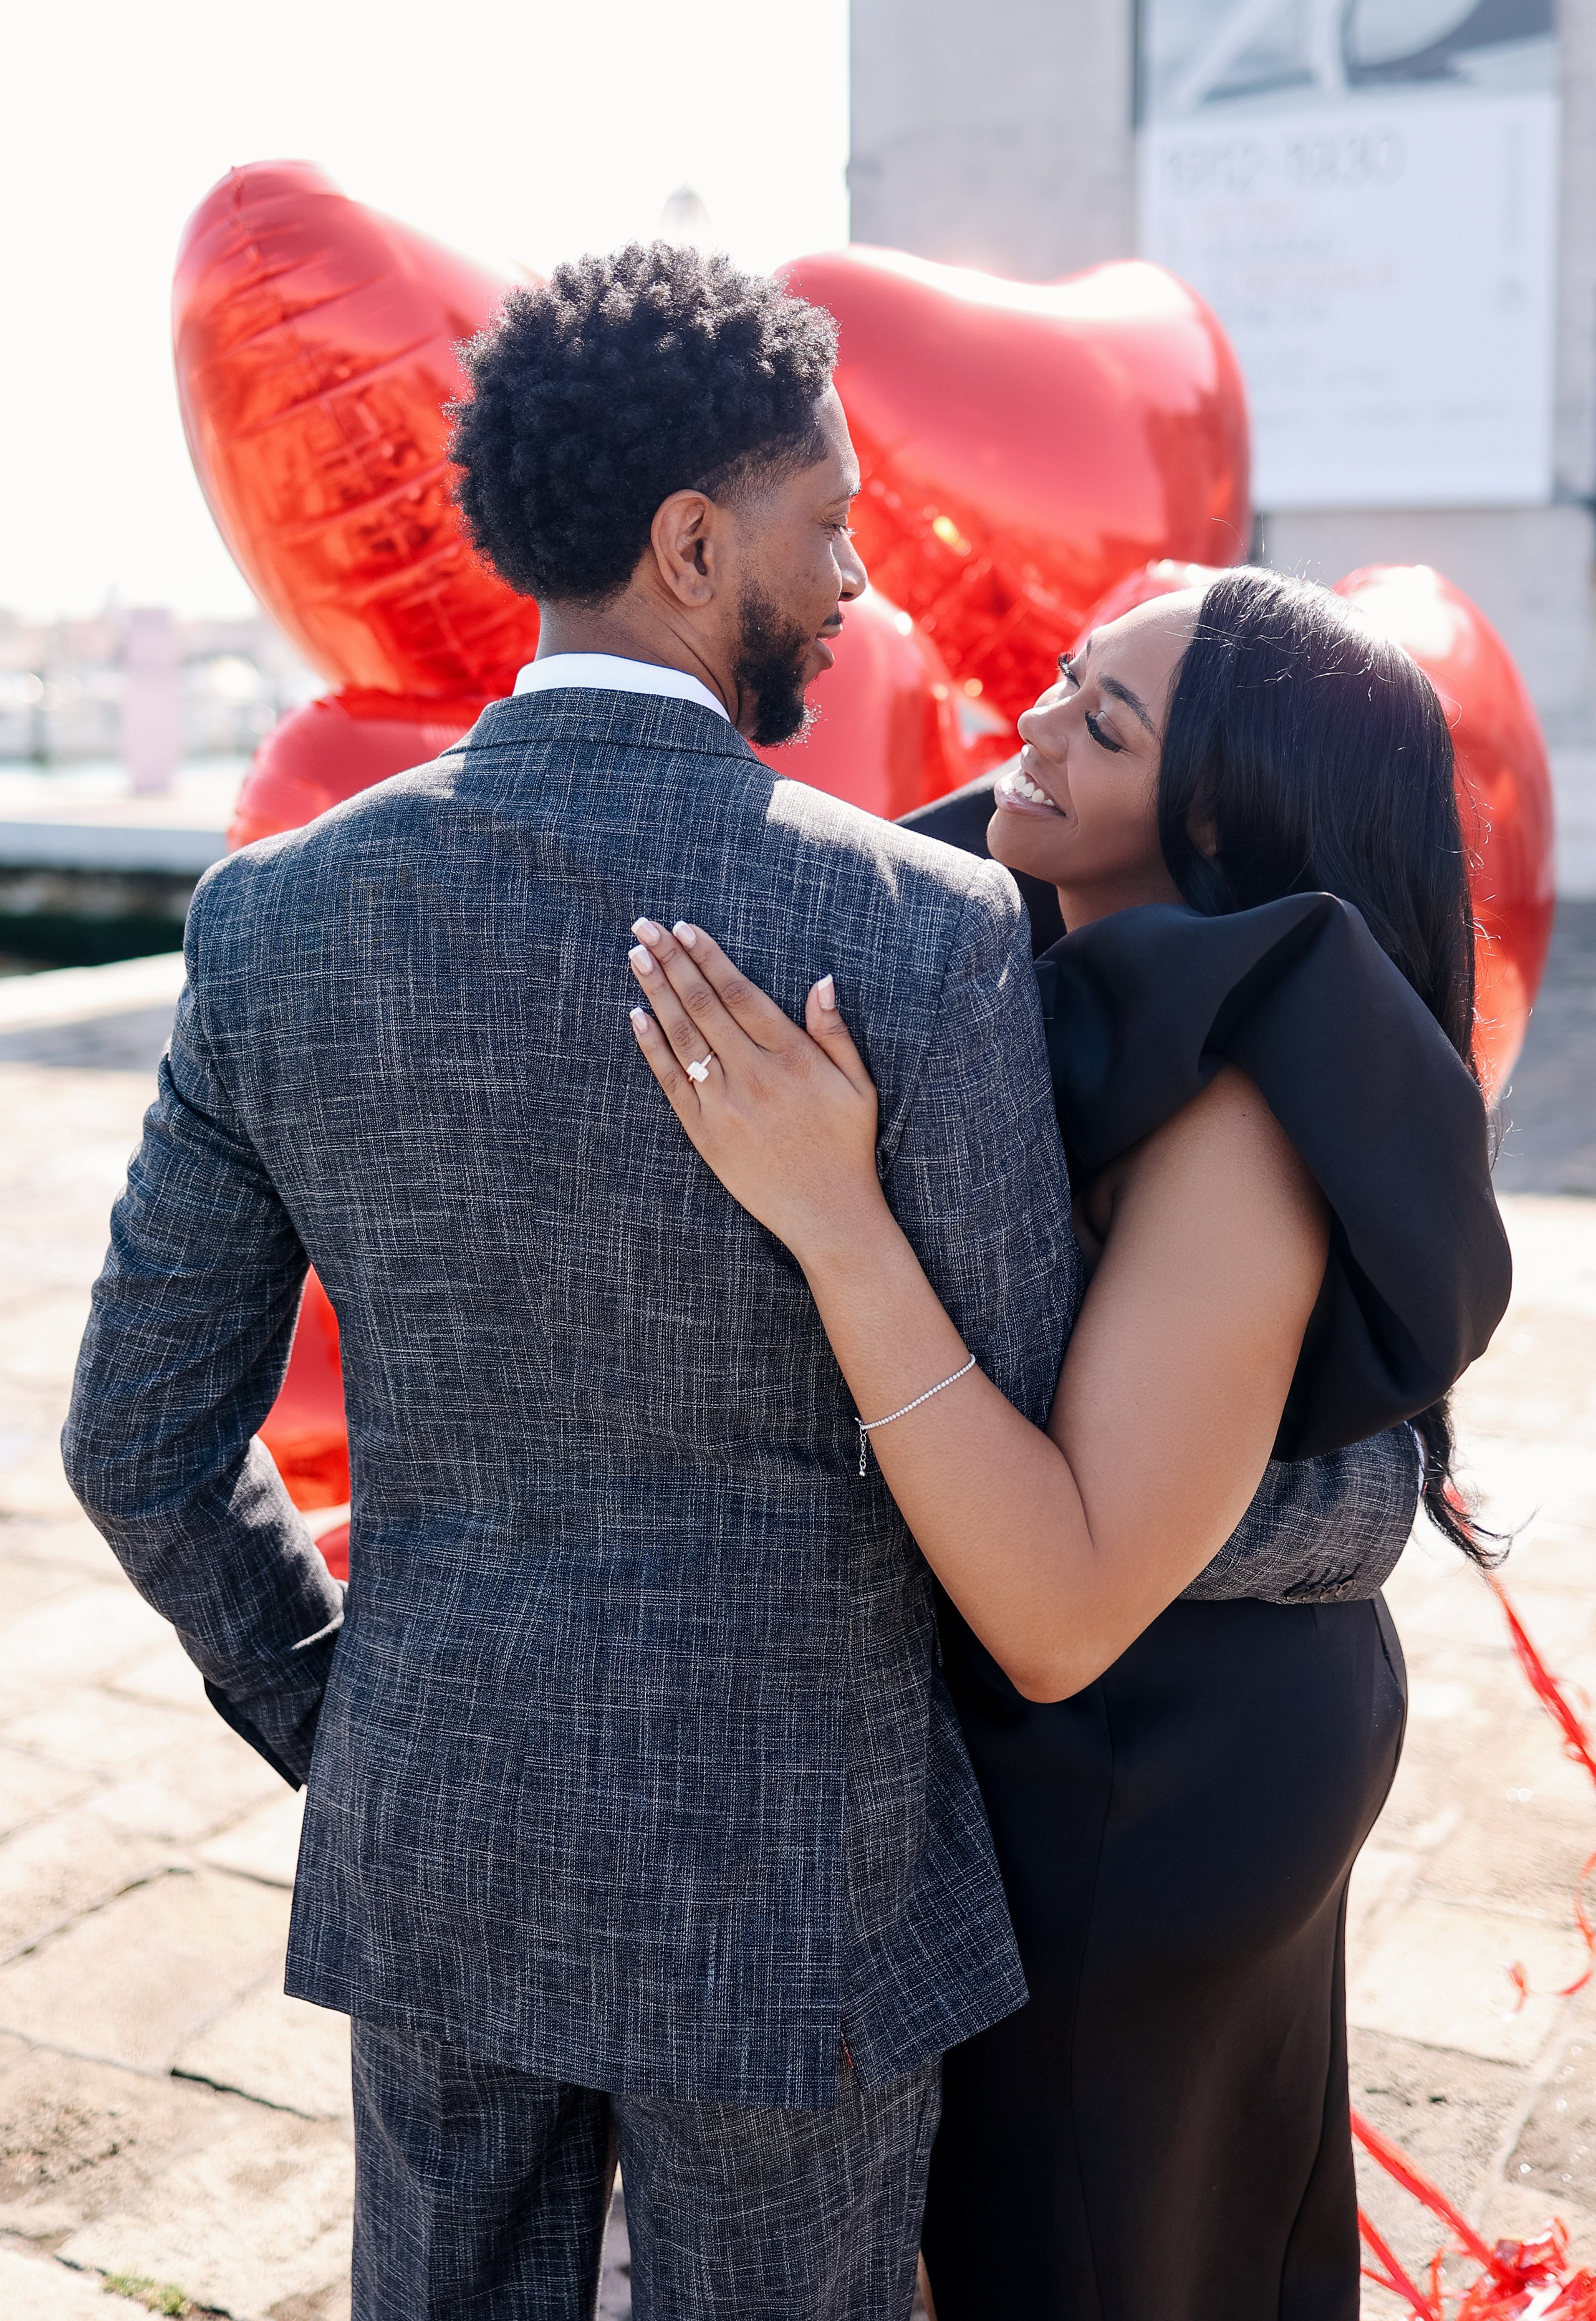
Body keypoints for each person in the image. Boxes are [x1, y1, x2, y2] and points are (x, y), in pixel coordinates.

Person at [64, 240, 1424, 2321]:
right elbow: (1037, 1447)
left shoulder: (270, 921)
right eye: (831, 527)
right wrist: (1350, 1504)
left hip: (440, 1844)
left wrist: (346, 1724)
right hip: (806, 1895)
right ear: (695, 547)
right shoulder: (925, 932)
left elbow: (139, 1446)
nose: (863, 581)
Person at [618, 569, 1511, 2321]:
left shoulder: (1243, 1107)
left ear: (1221, 816)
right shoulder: (1025, 935)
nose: (1031, 727)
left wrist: (836, 1218)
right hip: (1126, 1739)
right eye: (1068, 680)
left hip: (1150, 1780)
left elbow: (1063, 1605)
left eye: (1104, 724)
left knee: (1098, 2258)